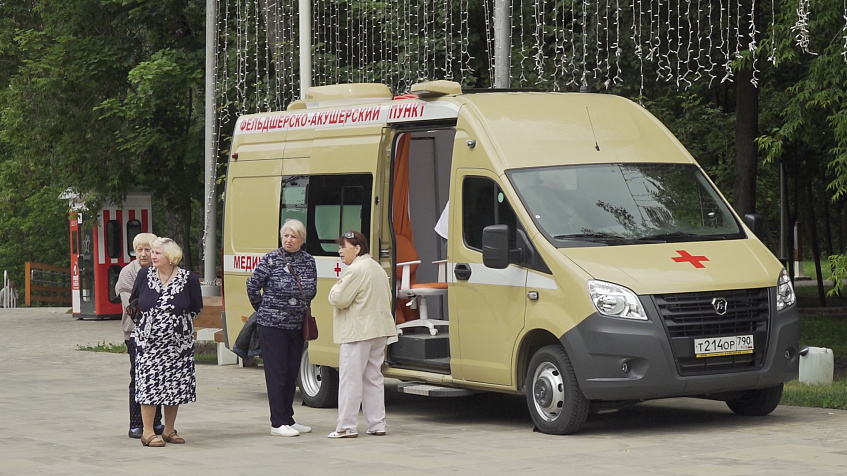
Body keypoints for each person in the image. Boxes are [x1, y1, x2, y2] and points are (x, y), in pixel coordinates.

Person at [129, 237, 203, 447]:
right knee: (149, 386)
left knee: (174, 386)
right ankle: (148, 432)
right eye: (152, 252)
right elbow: (135, 301)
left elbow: (196, 306)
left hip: (178, 345)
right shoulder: (145, 274)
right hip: (149, 343)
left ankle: (169, 430)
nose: (152, 256)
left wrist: (177, 325)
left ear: (171, 257)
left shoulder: (188, 278)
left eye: (157, 253)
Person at [246, 219, 316, 437]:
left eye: (293, 236)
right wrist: (264, 309)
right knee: (277, 372)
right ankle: (277, 422)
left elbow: (312, 288)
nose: (289, 240)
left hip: (296, 325)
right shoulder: (271, 259)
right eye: (285, 236)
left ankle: (288, 418)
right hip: (272, 325)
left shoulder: (308, 261)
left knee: (291, 371)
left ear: (302, 239)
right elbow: (252, 286)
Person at [327, 230, 397, 438]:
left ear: (357, 249)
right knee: (373, 378)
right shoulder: (376, 267)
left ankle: (346, 426)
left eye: (344, 247)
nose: (340, 251)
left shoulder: (355, 270)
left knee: (351, 380)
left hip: (358, 332)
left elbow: (338, 299)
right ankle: (377, 424)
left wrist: (335, 287)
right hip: (379, 330)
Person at [114, 233, 163, 439]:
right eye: (139, 250)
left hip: (160, 334)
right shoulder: (128, 273)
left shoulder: (162, 270)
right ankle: (136, 423)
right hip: (135, 332)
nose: (143, 254)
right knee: (139, 377)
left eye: (148, 249)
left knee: (159, 377)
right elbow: (131, 308)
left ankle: (156, 421)